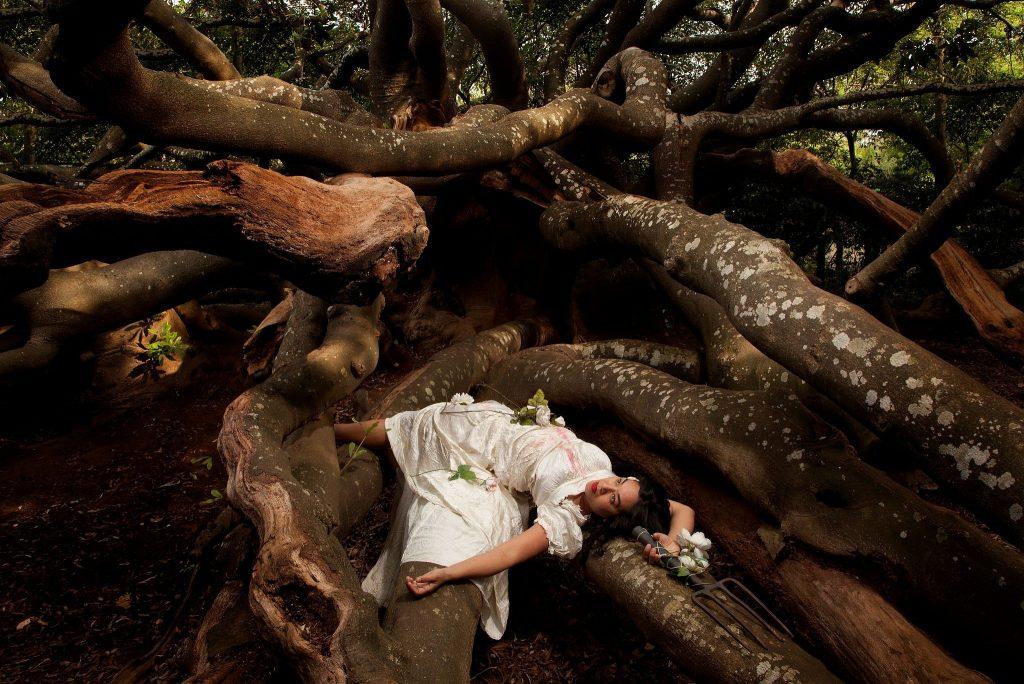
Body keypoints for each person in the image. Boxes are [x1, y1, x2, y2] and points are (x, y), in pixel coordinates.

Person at [334, 395, 695, 639]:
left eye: (613, 500)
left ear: (611, 518)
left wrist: (449, 572)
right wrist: (674, 542)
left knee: (412, 426)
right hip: (499, 420)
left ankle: (332, 433)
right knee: (411, 422)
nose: (603, 487)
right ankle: (327, 431)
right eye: (617, 482)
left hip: (478, 445)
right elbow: (682, 509)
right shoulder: (605, 473)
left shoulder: (566, 519)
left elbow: (511, 552)